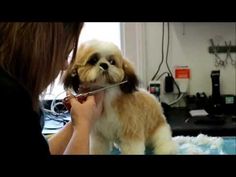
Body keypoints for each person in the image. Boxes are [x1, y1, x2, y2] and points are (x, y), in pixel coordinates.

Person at [0, 23, 104, 156]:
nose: (65, 66)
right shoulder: (11, 101)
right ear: (39, 51)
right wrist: (83, 125)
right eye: (65, 56)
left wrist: (77, 121)